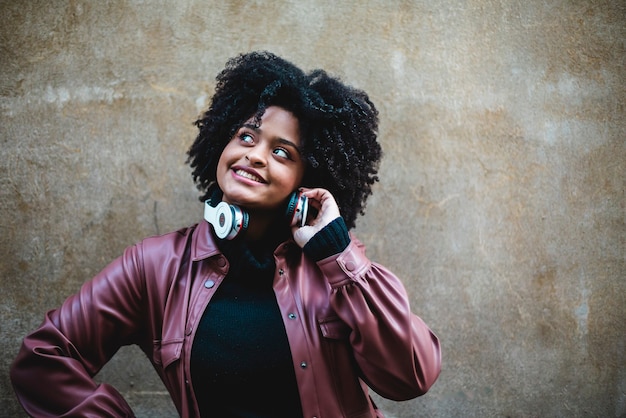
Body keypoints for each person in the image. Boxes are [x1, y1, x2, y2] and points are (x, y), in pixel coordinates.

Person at [10, 51, 441, 417]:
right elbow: (44, 358)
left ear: (306, 181)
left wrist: (339, 256)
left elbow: (411, 377)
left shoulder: (338, 268)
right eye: (246, 136)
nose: (254, 154)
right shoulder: (155, 266)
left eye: (280, 151)